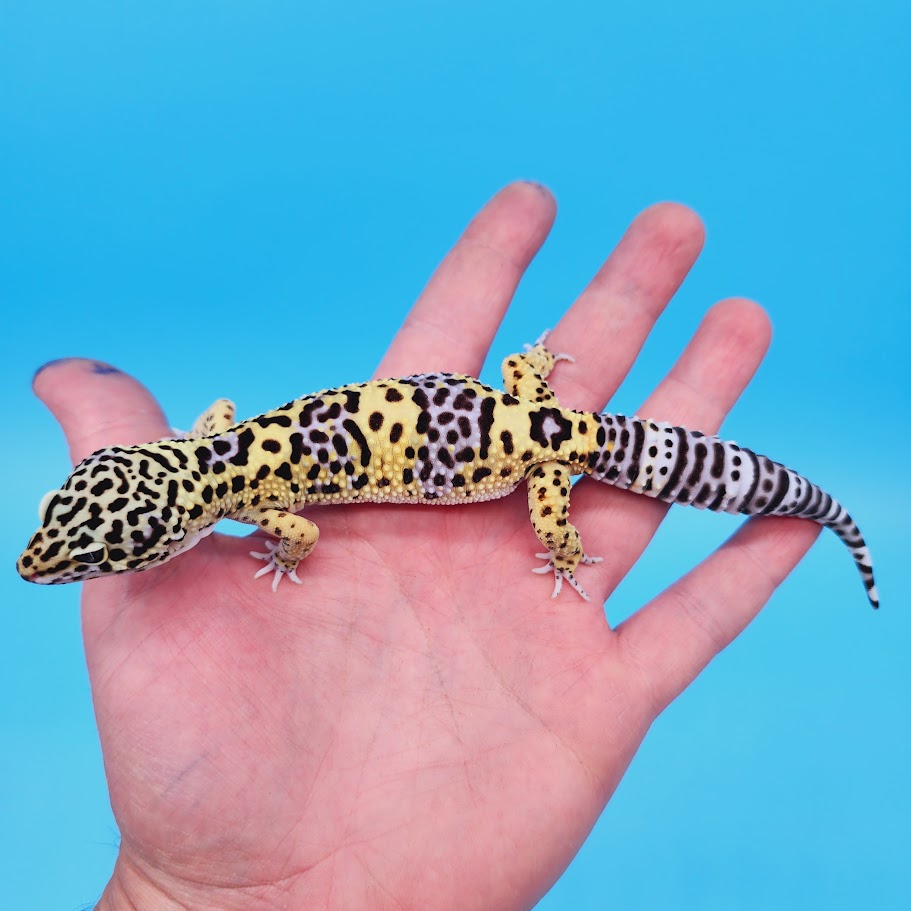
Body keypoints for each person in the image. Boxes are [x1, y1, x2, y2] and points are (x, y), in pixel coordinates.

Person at [36, 182, 821, 910]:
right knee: (549, 397)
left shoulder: (257, 500)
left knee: (561, 524)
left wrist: (281, 554)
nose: (69, 567)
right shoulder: (220, 443)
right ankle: (771, 492)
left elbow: (302, 531)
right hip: (522, 405)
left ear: (168, 529)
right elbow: (220, 411)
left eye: (95, 556)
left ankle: (600, 537)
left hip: (527, 458)